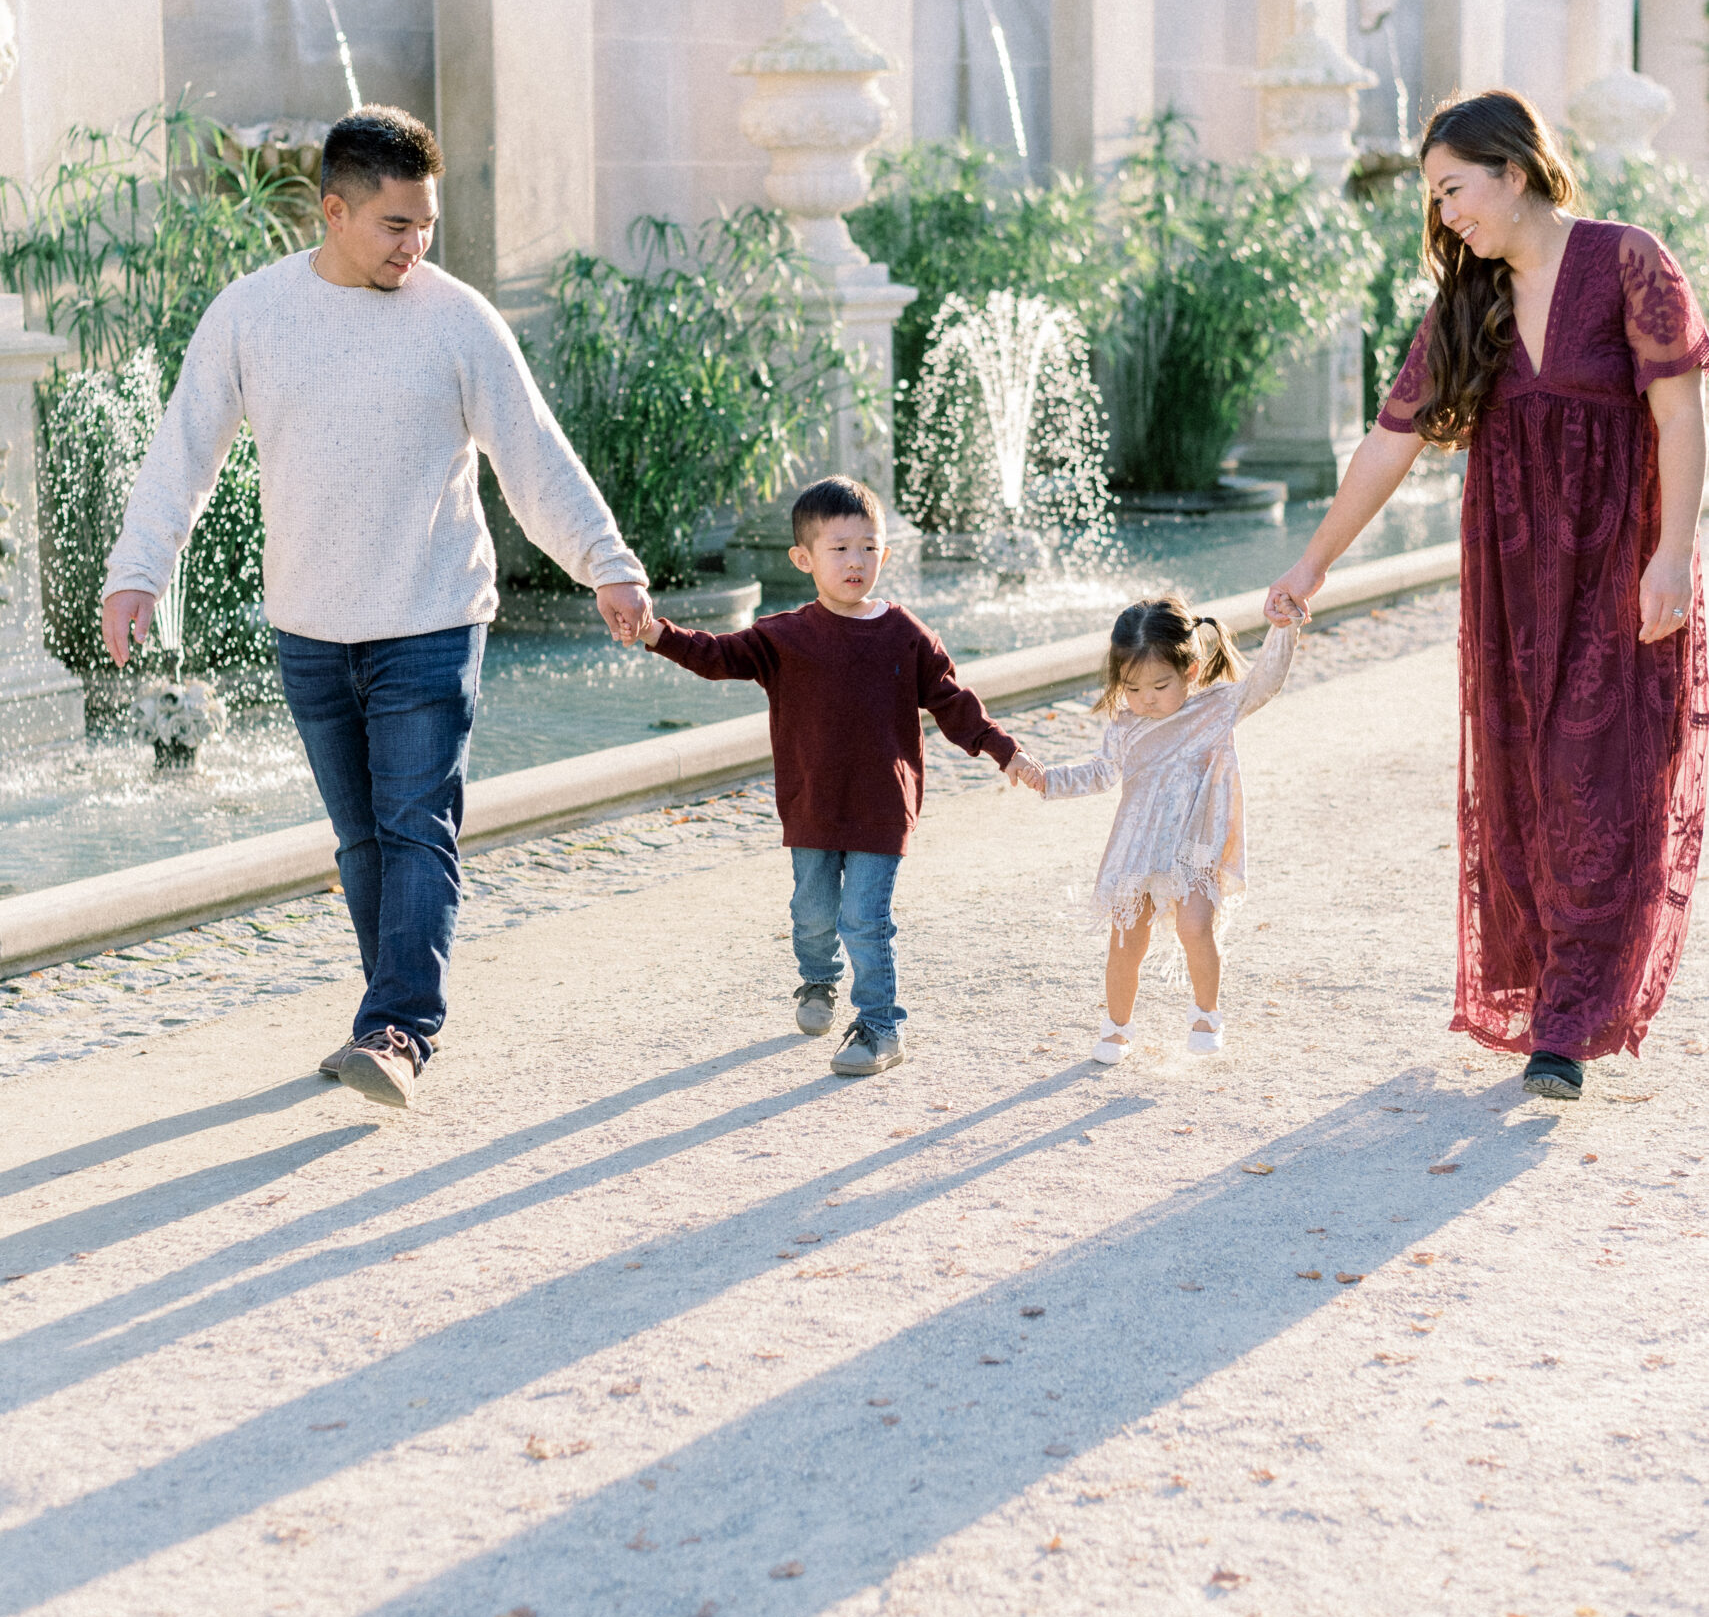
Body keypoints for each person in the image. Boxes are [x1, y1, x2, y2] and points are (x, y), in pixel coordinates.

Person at [101, 106, 651, 1109]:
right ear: (336, 209)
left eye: (426, 223)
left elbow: (531, 452)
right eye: (397, 224)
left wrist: (605, 564)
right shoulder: (250, 314)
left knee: (415, 825)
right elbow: (185, 448)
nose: (417, 244)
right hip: (310, 626)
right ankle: (383, 1017)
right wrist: (136, 571)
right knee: (362, 841)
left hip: (431, 618)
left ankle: (400, 1025)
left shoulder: (455, 320)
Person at [1265, 89, 1709, 1101]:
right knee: (1526, 780)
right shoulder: (1471, 298)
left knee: (1599, 775)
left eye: (1452, 188)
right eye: (1432, 198)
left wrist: (1671, 554)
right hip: (1512, 579)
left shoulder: (1626, 260)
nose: (1443, 214)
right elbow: (1391, 441)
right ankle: (1553, 990)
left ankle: (1564, 1026)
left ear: (1513, 171)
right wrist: (1312, 563)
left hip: (1616, 563)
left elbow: (1680, 419)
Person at [640, 474, 1039, 1076]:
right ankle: (818, 982)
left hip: (882, 804)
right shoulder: (783, 637)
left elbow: (956, 702)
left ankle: (880, 1027)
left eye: (869, 547)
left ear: (885, 551)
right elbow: (716, 655)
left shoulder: (907, 634)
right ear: (804, 558)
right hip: (812, 805)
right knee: (813, 912)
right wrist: (655, 632)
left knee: (865, 918)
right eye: (840, 548)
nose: (857, 561)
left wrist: (1004, 751)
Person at [1014, 598, 1296, 1062]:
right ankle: (1116, 1027)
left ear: (1192, 670)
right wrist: (1048, 779)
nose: (1146, 698)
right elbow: (1101, 772)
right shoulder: (1126, 727)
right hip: (1139, 849)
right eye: (1131, 687)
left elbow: (1266, 682)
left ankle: (1206, 1014)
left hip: (1193, 846)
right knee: (1127, 942)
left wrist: (1284, 628)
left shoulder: (1216, 708)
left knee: (1195, 926)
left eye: (1160, 685)